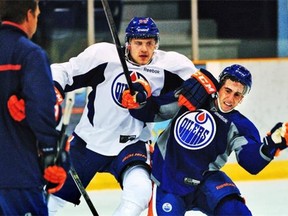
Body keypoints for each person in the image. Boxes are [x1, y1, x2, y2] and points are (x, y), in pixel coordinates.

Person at [45, 16, 198, 215]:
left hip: (132, 144)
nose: (144, 49)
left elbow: (201, 87)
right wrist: (53, 87)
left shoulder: (170, 65)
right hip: (89, 143)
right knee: (52, 197)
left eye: (149, 43)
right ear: (128, 43)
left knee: (140, 193)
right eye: (138, 43)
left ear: (156, 44)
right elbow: (63, 70)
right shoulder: (104, 56)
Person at [131, 64, 288, 215]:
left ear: (241, 99)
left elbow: (251, 162)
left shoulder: (240, 125)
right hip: (168, 177)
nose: (230, 99)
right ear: (219, 87)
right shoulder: (195, 96)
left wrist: (270, 146)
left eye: (237, 95)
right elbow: (154, 111)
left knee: (236, 211)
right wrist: (138, 101)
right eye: (227, 90)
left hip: (205, 182)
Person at [0, 1, 70, 215]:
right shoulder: (30, 54)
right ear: (29, 15)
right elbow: (42, 111)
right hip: (18, 174)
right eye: (37, 16)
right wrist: (53, 156)